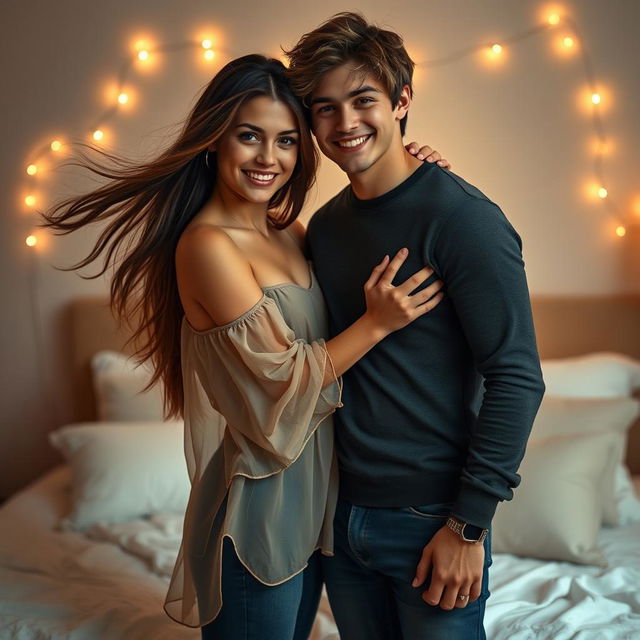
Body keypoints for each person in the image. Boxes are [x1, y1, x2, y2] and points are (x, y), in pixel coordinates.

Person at [39, 54, 450, 639]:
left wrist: (415, 171)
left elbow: (366, 262)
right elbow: (283, 380)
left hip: (321, 496)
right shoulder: (208, 246)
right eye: (249, 136)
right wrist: (376, 325)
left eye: (286, 140)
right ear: (214, 141)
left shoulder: (289, 231)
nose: (269, 158)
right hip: (264, 505)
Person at [284, 12, 546, 640]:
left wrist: (468, 526)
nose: (345, 123)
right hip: (338, 514)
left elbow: (517, 379)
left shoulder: (464, 221)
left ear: (402, 102)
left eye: (363, 99)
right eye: (324, 108)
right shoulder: (324, 228)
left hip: (432, 519)